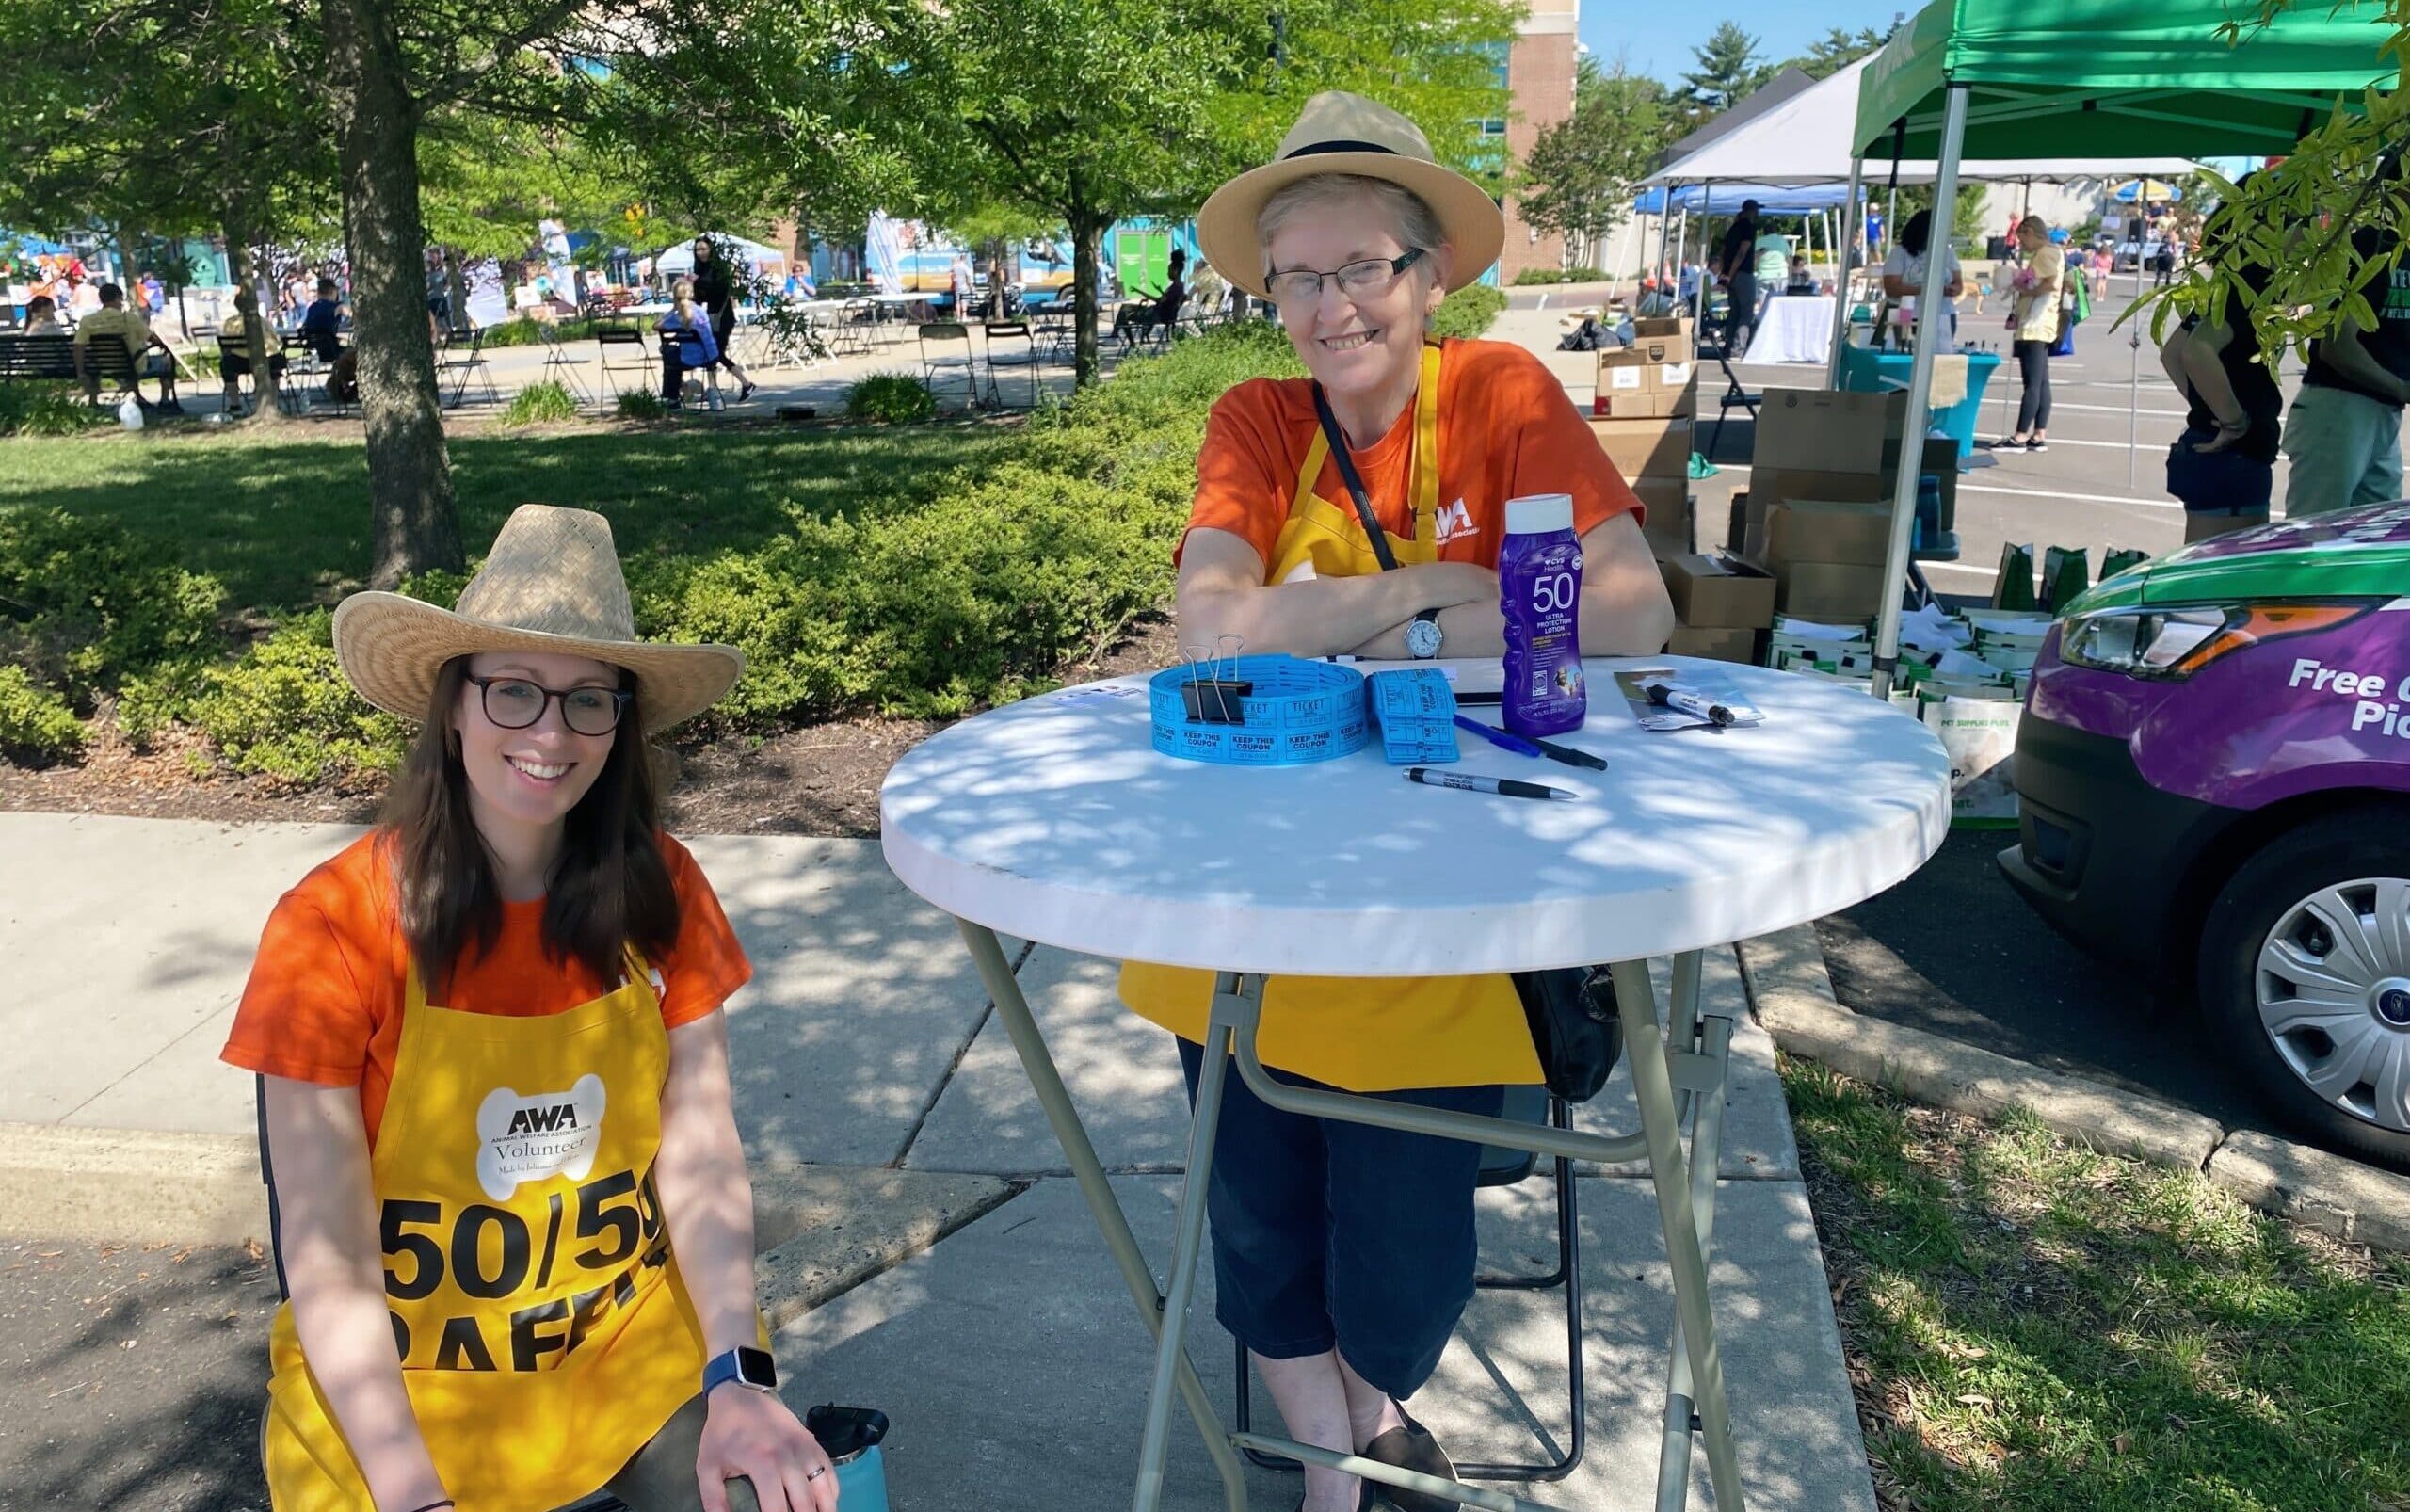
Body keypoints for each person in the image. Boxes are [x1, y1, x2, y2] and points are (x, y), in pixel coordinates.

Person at [1168, 89, 1676, 1512]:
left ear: (1429, 273)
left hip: (1449, 907)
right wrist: (1438, 598)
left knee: (1398, 1234)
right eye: (1299, 278)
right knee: (1255, 1210)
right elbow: (1206, 630)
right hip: (1251, 900)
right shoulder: (1256, 419)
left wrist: (1318, 618)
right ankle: (1356, 1464)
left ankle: (1355, 1436)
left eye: (1362, 268)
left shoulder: (1502, 392)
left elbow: (1633, 617)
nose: (1331, 308)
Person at [224, 504, 839, 1512]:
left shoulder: (664, 889)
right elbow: (325, 1257)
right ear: (452, 706)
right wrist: (411, 1495)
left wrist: (738, 1378)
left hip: (628, 1375)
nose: (552, 733)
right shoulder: (330, 928)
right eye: (514, 691)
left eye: (589, 700)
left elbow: (701, 1157)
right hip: (396, 1412)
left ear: (619, 724)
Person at [2161, 186, 2282, 542]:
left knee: (2204, 568)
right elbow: (2194, 352)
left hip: (2212, 450)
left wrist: (2207, 403)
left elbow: (2173, 352)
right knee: (2223, 578)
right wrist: (2233, 420)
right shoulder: (2252, 285)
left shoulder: (2227, 285)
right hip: (2234, 457)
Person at [2281, 221, 2410, 517]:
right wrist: (2400, 387)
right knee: (2316, 535)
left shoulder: (2403, 250)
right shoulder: (2372, 245)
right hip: (2341, 406)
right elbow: (2337, 346)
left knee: (2374, 532)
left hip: (2382, 410)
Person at [1994, 216, 2063, 452]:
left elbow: (2050, 283)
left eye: (2023, 239)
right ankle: (2038, 433)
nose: (2023, 245)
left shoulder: (2045, 253)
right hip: (2041, 323)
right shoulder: (2051, 252)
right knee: (2041, 381)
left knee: (2032, 382)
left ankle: (2021, 435)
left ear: (2031, 232)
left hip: (2035, 323)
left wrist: (2024, 288)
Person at [72, 281, 183, 410]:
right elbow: (151, 339)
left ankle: (95, 401)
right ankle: (164, 401)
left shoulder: (88, 321)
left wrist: (80, 370)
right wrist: (162, 345)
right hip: (133, 364)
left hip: (103, 366)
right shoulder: (129, 318)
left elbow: (79, 346)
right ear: (118, 298)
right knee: (166, 361)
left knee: (128, 361)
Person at [1881, 210, 1964, 353]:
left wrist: (1952, 289)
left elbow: (1958, 284)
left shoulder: (1948, 252)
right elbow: (1892, 288)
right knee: (1909, 355)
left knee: (1940, 358)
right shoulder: (1899, 253)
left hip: (1943, 315)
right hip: (1909, 315)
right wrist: (1928, 290)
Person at [686, 239, 757, 402]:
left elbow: (719, 289)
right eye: (698, 250)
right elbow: (702, 297)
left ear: (711, 249)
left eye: (704, 249)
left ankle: (744, 384)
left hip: (723, 316)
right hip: (710, 315)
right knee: (711, 352)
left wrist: (699, 280)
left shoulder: (719, 268)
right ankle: (714, 389)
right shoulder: (699, 269)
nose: (701, 253)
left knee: (716, 353)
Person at [217, 284, 289, 413]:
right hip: (268, 360)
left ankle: (235, 403)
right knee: (276, 363)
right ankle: (273, 401)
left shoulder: (230, 323)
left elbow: (228, 343)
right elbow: (276, 340)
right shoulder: (263, 321)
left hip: (240, 362)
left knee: (226, 364)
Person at [655, 278, 721, 408]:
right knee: (676, 354)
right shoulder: (700, 312)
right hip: (709, 357)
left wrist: (672, 310)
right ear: (692, 294)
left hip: (685, 359)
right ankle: (713, 392)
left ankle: (674, 397)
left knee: (668, 354)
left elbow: (656, 325)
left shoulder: (675, 317)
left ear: (675, 297)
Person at [1716, 199, 1760, 353]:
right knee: (1746, 313)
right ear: (1752, 211)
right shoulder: (1749, 228)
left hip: (1730, 275)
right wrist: (1732, 273)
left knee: (1734, 311)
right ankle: (1738, 348)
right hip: (1742, 274)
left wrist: (1725, 273)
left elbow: (1723, 252)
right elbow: (1742, 252)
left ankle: (1728, 345)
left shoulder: (1732, 228)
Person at [298, 277, 347, 362]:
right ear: (332, 291)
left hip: (314, 346)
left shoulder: (312, 308)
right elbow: (351, 314)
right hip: (331, 348)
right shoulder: (336, 306)